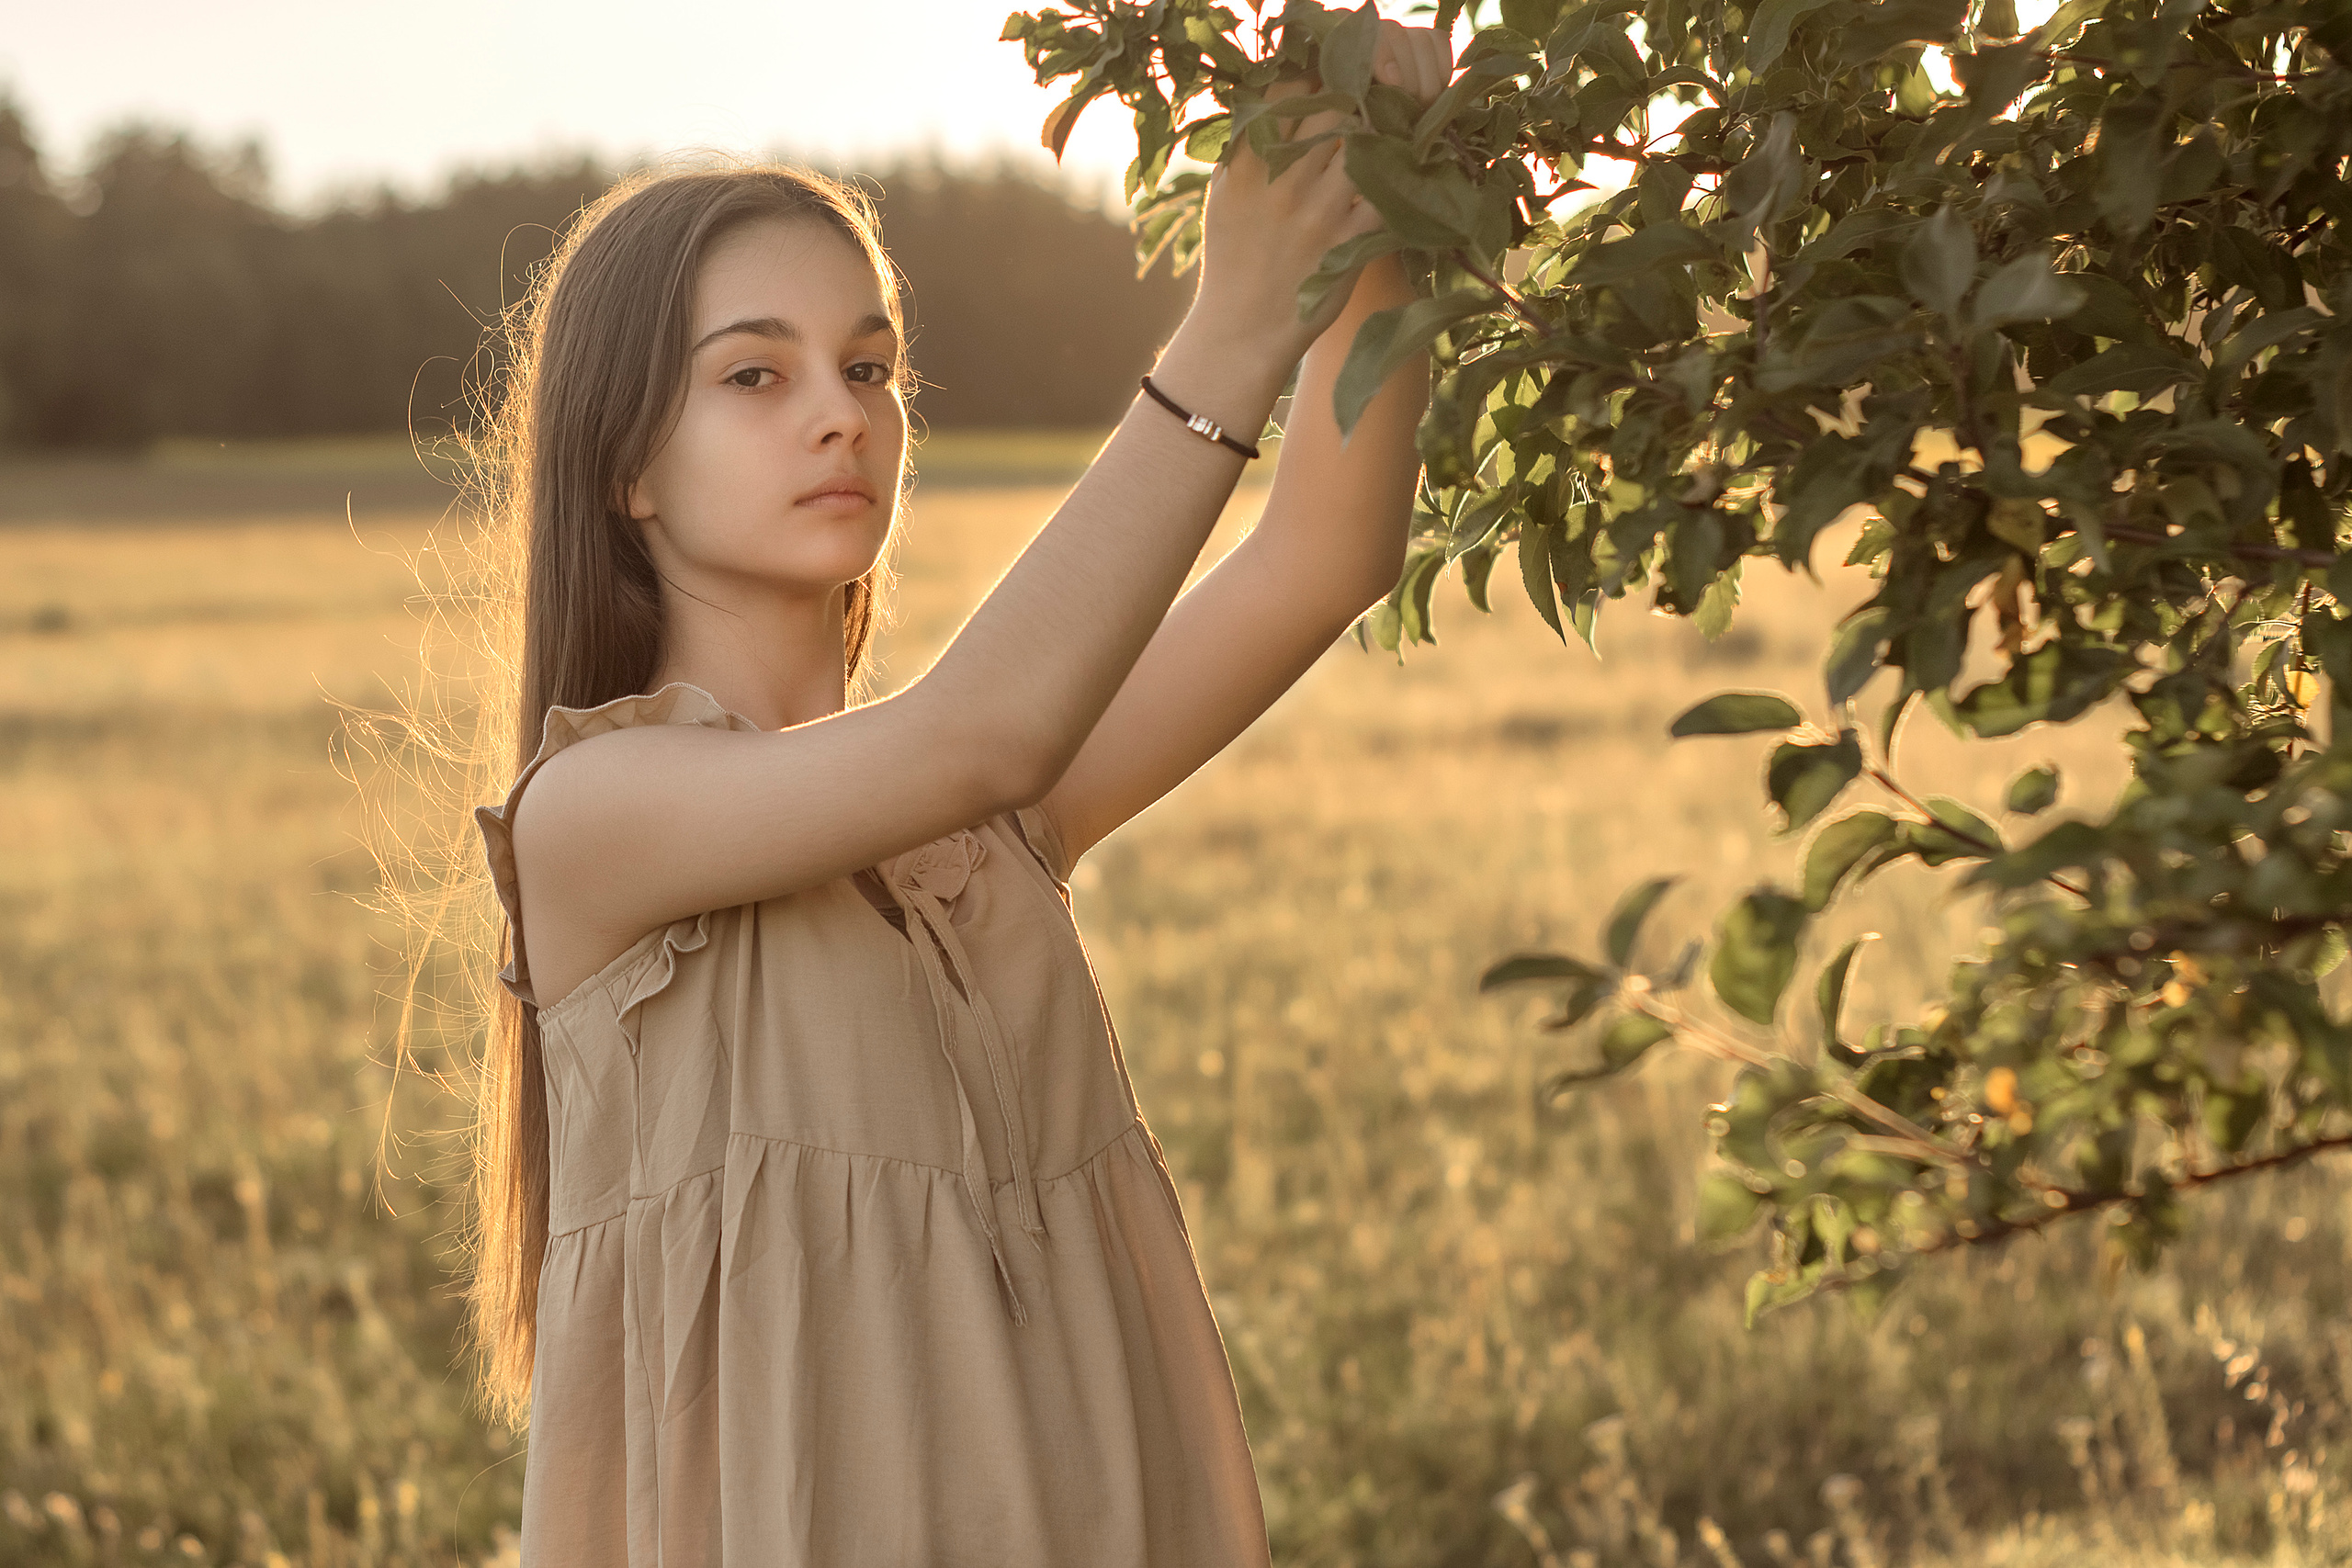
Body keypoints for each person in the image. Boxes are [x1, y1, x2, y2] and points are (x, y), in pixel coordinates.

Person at [465, 19, 1453, 1564]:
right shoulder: (590, 818)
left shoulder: (974, 840)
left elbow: (1324, 555)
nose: (839, 412)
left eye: (868, 365)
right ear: (625, 471)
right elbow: (980, 731)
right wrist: (1236, 318)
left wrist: (1379, 193)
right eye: (754, 373)